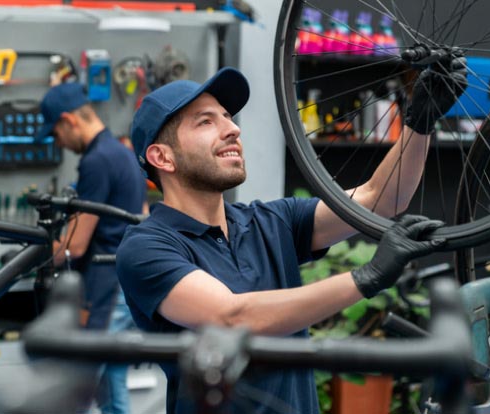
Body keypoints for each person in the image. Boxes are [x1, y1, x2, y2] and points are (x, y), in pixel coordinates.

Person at [116, 60, 467, 413]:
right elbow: (231, 317)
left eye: (227, 116)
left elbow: (379, 199)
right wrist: (365, 278)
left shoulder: (271, 220)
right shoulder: (147, 247)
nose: (232, 129)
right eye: (206, 121)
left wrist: (419, 121)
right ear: (162, 157)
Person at [37, 82, 147, 414]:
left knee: (75, 391)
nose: (59, 144)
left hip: (105, 292)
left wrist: (32, 256)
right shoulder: (124, 153)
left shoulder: (96, 161)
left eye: (55, 135)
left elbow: (76, 245)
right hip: (124, 285)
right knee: (113, 392)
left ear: (69, 120)